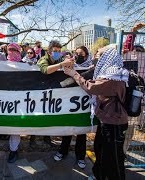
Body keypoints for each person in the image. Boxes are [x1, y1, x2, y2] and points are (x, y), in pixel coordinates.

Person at [64, 47, 129, 180]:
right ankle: (99, 175)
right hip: (107, 120)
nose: (95, 57)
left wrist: (74, 74)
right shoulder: (113, 73)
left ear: (107, 57)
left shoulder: (113, 76)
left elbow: (91, 87)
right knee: (101, 150)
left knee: (114, 158)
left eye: (99, 55)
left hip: (114, 123)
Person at [53, 46, 90, 169]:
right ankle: (62, 151)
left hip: (83, 104)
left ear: (86, 55)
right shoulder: (71, 64)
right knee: (67, 129)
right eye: (77, 53)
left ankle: (80, 157)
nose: (78, 55)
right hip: (69, 102)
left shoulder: (90, 67)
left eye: (81, 54)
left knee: (81, 133)